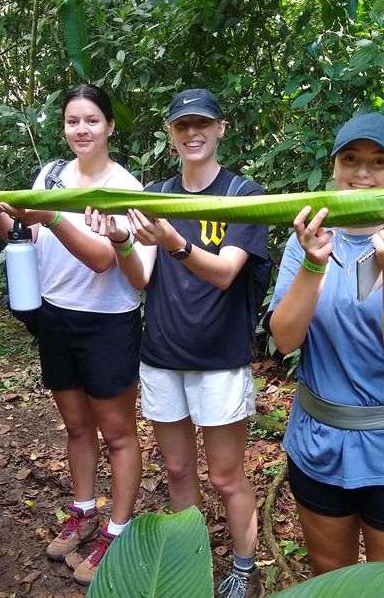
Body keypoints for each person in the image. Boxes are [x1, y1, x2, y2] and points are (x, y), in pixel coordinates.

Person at [0, 84, 155, 586]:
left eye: (92, 120)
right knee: (74, 425)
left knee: (116, 431)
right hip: (55, 316)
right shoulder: (49, 176)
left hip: (108, 320)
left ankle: (118, 526)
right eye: (72, 121)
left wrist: (51, 216)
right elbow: (25, 236)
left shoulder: (125, 188)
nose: (81, 130)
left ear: (110, 126)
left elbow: (101, 258)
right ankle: (84, 508)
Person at [266, 114, 384, 575]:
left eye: (378, 161)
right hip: (318, 440)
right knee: (331, 578)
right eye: (350, 159)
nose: (362, 173)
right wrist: (313, 263)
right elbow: (285, 339)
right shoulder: (309, 236)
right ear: (333, 167)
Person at [120, 89, 269, 598]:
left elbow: (227, 273)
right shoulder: (156, 193)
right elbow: (141, 275)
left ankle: (244, 569)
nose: (191, 133)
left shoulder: (244, 195)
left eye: (201, 123)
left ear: (221, 128)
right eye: (181, 126)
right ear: (170, 134)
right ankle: (187, 566)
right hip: (161, 354)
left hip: (219, 359)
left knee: (226, 476)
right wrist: (122, 242)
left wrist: (176, 243)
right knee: (179, 468)